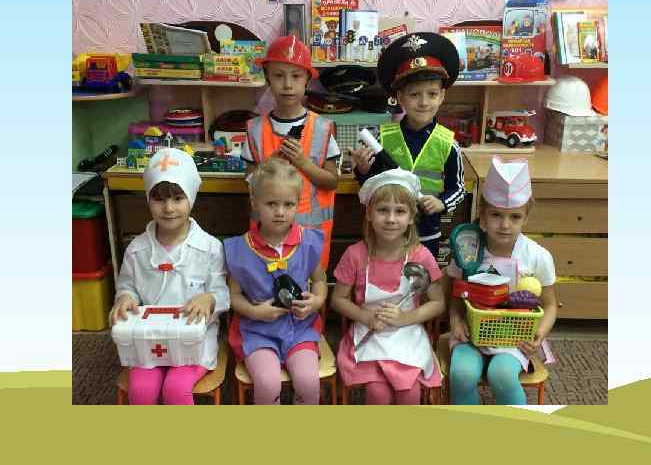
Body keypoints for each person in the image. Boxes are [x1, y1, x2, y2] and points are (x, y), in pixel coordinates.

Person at [109, 148, 230, 405]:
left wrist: (209, 299)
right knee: (141, 391)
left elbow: (221, 292)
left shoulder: (210, 247)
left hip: (192, 342)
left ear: (191, 198)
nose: (169, 208)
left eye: (177, 198)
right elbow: (127, 286)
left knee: (176, 389)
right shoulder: (137, 250)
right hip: (149, 340)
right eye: (159, 200)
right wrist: (126, 298)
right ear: (148, 200)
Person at [444, 156, 558, 405]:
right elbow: (455, 293)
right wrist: (455, 319)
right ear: (482, 214)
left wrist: (538, 335)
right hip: (470, 334)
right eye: (496, 215)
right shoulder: (467, 248)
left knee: (502, 375)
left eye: (515, 217)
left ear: (526, 217)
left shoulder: (537, 256)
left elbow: (550, 305)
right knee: (462, 374)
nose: (505, 225)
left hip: (514, 340)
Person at [331, 169, 444, 404]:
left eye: (400, 211)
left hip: (407, 333)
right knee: (377, 393)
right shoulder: (355, 255)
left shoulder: (420, 256)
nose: (391, 219)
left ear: (411, 217)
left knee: (409, 393)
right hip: (369, 333)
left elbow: (438, 302)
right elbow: (337, 300)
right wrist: (365, 316)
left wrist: (406, 317)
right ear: (369, 214)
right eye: (383, 210)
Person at [224, 157, 328, 404]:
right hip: (257, 331)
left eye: (288, 204)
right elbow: (233, 295)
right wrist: (254, 312)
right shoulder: (240, 248)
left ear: (297, 204)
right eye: (271, 203)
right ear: (255, 203)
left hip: (300, 329)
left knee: (308, 382)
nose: (280, 212)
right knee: (268, 384)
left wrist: (316, 301)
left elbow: (320, 281)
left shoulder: (308, 242)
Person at [353, 32, 466, 258]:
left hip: (427, 233)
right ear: (400, 97)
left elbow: (459, 188)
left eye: (432, 94)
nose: (424, 102)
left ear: (442, 96)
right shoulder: (381, 138)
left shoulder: (448, 144)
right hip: (388, 234)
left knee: (424, 278)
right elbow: (369, 187)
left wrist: (442, 203)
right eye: (414, 95)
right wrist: (363, 170)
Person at [243, 34, 340, 270]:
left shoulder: (322, 128)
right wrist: (270, 167)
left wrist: (302, 163)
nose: (287, 84)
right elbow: (249, 181)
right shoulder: (255, 129)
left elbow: (332, 181)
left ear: (307, 80)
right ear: (267, 78)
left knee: (310, 290)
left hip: (309, 238)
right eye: (279, 76)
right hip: (267, 238)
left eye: (296, 76)